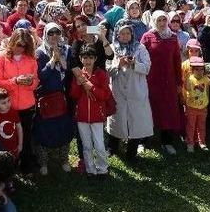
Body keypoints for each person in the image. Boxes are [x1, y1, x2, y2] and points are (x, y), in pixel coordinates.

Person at [0, 28, 38, 173]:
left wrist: (30, 82)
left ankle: (25, 166)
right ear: (12, 42)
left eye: (24, 45)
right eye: (18, 44)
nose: (21, 48)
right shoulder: (1, 58)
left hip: (26, 106)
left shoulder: (31, 59)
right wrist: (15, 81)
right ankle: (7, 168)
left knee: (26, 137)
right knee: (8, 137)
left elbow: (36, 81)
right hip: (8, 106)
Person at [105, 21, 153, 160]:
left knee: (136, 121)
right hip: (118, 90)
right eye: (122, 33)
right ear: (117, 35)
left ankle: (132, 152)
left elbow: (147, 68)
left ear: (132, 34)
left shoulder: (140, 48)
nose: (125, 36)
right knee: (116, 118)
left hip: (136, 90)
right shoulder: (112, 48)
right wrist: (118, 64)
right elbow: (107, 69)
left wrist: (135, 64)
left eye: (128, 33)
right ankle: (112, 147)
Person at [32, 23, 73, 175]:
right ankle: (43, 162)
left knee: (63, 128)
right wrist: (52, 61)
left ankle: (64, 159)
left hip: (62, 97)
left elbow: (70, 71)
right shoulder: (39, 53)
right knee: (44, 130)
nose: (54, 35)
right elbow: (41, 76)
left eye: (57, 32)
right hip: (46, 98)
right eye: (50, 33)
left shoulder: (67, 50)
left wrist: (60, 58)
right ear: (45, 35)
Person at [139, 10, 182, 155]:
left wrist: (179, 82)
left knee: (167, 111)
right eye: (159, 20)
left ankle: (167, 142)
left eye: (164, 20)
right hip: (151, 80)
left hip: (168, 81)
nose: (162, 23)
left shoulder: (173, 37)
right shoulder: (147, 36)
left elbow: (177, 60)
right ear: (154, 21)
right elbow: (140, 57)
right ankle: (143, 140)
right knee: (148, 110)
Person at [70, 46, 113, 178]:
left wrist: (92, 87)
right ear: (80, 59)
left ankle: (103, 169)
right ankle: (90, 169)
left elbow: (105, 95)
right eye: (85, 57)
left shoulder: (100, 74)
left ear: (95, 59)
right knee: (87, 145)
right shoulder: (78, 74)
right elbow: (74, 95)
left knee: (99, 145)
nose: (87, 61)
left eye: (90, 58)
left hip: (97, 116)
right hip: (82, 116)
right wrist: (77, 84)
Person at [180, 55, 210, 152]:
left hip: (203, 108)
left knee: (202, 126)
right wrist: (187, 78)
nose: (199, 71)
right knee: (191, 126)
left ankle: (202, 142)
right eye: (197, 69)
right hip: (191, 107)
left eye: (201, 69)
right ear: (192, 70)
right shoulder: (190, 79)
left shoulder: (205, 79)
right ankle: (190, 143)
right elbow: (187, 88)